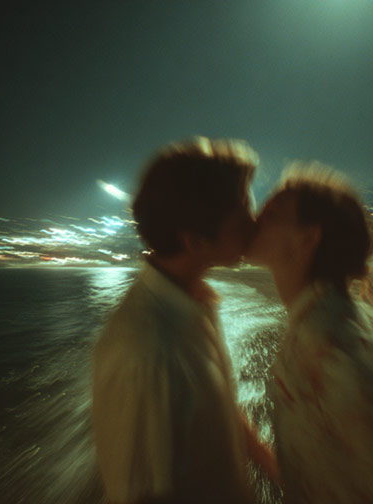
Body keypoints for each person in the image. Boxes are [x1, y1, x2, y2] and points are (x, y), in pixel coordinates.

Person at [92, 137, 277, 504]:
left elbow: (216, 406)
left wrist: (273, 464)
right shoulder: (147, 351)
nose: (254, 221)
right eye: (243, 209)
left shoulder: (193, 299)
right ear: (194, 241)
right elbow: (140, 494)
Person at [246, 163, 373, 503]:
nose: (254, 219)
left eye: (272, 214)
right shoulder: (345, 318)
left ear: (308, 238)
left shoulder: (327, 346)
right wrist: (251, 444)